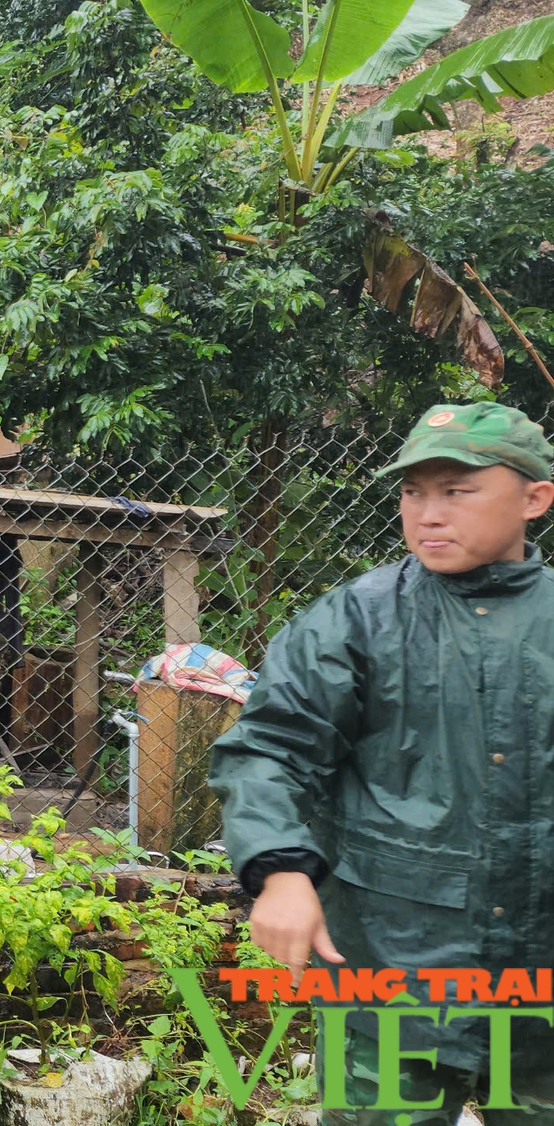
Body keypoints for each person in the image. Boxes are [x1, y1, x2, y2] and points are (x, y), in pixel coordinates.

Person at [209, 403, 554, 1123]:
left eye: (456, 491)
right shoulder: (357, 620)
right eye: (412, 491)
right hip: (389, 978)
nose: (428, 512)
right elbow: (271, 746)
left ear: (535, 497)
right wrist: (279, 869)